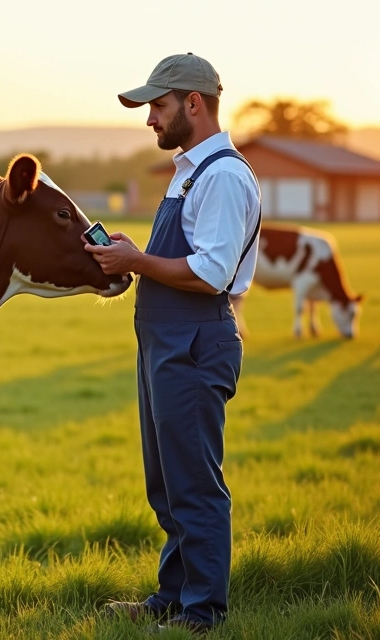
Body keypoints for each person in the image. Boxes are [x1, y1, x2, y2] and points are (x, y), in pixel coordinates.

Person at [85, 52, 261, 634]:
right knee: (165, 481)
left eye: (157, 107)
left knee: (194, 482)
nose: (150, 119)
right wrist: (135, 255)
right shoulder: (190, 169)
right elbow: (183, 255)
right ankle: (173, 595)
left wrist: (137, 260)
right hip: (164, 338)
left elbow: (212, 273)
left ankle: (202, 613)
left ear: (193, 103)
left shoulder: (226, 176)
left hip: (194, 338)